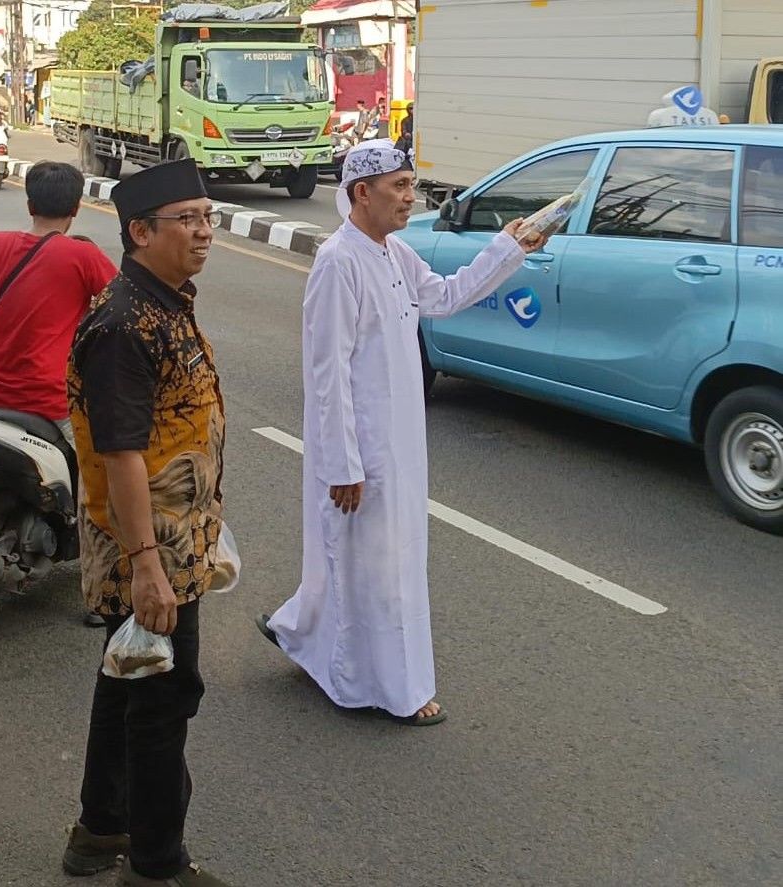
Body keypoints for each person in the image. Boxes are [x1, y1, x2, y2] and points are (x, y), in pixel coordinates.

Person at [256, 141, 549, 725]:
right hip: (364, 448)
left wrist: (509, 247)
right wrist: (343, 464)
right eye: (401, 186)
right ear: (362, 193)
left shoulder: (395, 252)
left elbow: (445, 296)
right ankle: (393, 689)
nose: (412, 197)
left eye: (412, 185)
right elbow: (327, 373)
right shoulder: (339, 262)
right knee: (378, 565)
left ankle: (301, 632)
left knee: (379, 557)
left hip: (401, 439)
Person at [62, 158, 230, 887]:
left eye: (207, 217)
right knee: (164, 700)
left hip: (174, 536)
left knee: (128, 676)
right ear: (139, 232)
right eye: (187, 220)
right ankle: (157, 865)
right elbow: (122, 451)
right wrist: (145, 565)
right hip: (147, 547)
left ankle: (99, 829)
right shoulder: (124, 323)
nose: (203, 231)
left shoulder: (165, 301)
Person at [0, 161, 116, 446]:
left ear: (30, 206)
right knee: (109, 462)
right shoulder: (84, 255)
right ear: (76, 208)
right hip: (51, 404)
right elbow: (125, 308)